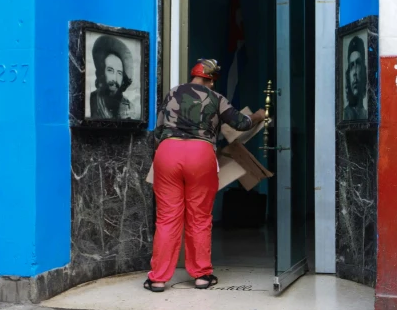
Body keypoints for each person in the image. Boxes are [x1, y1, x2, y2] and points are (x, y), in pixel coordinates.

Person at [145, 58, 266, 292]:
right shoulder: (215, 98)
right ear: (211, 79)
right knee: (199, 218)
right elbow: (241, 123)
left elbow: (159, 128)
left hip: (168, 153)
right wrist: (259, 115)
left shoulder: (173, 93)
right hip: (200, 155)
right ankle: (201, 275)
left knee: (167, 218)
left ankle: (158, 278)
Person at [89, 35, 136, 120]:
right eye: (110, 70)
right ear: (102, 73)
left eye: (119, 73)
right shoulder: (91, 100)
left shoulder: (129, 106)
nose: (114, 78)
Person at [343, 35, 368, 120]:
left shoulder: (366, 115)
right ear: (348, 75)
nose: (355, 73)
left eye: (358, 64)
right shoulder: (344, 115)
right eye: (352, 66)